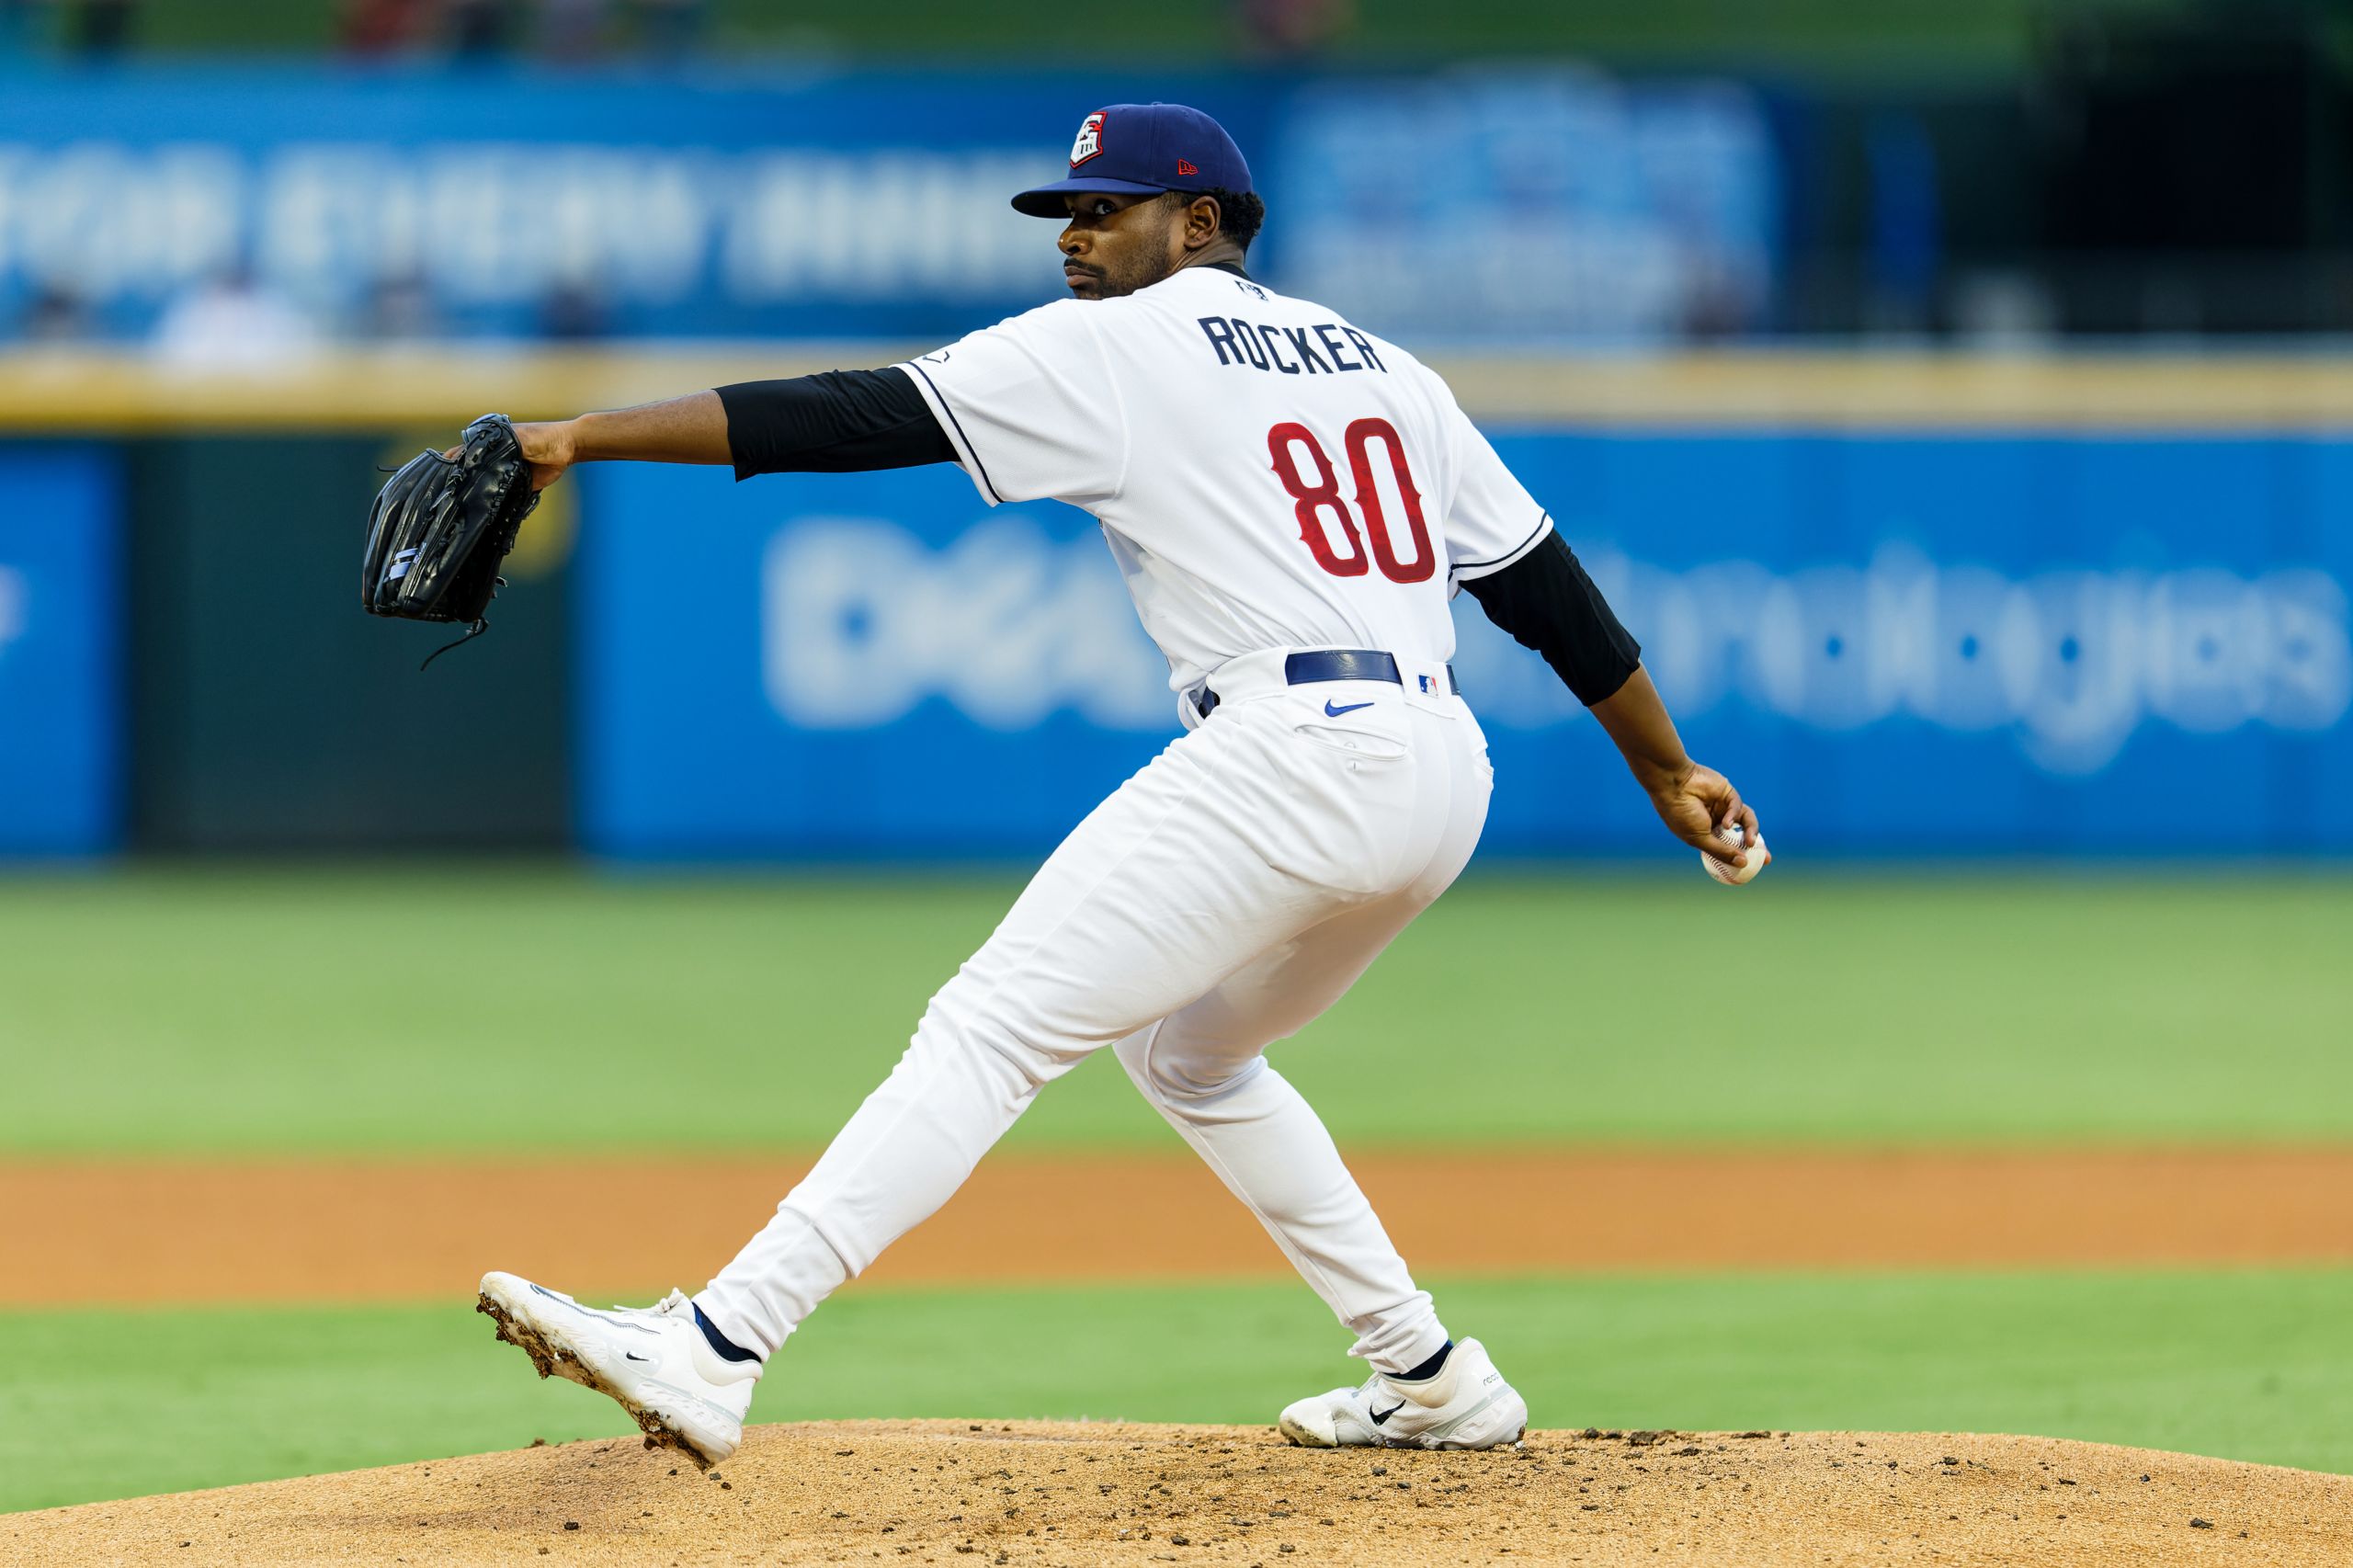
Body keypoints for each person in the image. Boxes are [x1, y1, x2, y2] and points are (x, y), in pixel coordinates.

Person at [476, 102, 1765, 1465]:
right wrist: (1666, 767)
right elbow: (1538, 586)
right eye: (1068, 212)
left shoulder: (1124, 343)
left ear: (1200, 223)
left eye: (1107, 208)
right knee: (1189, 1052)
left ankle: (716, 1342)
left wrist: (576, 437)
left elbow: (858, 415)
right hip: (1440, 774)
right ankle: (1432, 1373)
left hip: (1295, 744)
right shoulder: (1384, 364)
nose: (1076, 235)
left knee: (991, 1024)